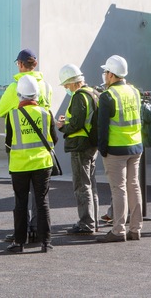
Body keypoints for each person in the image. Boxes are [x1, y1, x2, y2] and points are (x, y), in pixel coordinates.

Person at [0, 48, 52, 242]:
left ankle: (22, 233)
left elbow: (0, 110)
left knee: (21, 196)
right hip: (41, 149)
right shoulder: (45, 85)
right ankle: (40, 230)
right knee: (41, 197)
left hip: (19, 147)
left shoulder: (15, 87)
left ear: (20, 64)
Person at [4, 75, 58, 253]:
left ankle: (19, 242)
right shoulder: (46, 113)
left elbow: (8, 143)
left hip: (19, 166)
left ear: (19, 94)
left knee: (20, 203)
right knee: (42, 202)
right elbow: (54, 140)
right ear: (36, 95)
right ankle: (46, 243)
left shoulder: (12, 115)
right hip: (42, 164)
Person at [95, 55, 143, 243]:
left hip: (116, 149)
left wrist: (102, 149)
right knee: (134, 187)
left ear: (112, 74)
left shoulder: (108, 96)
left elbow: (102, 127)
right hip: (135, 146)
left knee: (119, 189)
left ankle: (118, 230)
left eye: (106, 71)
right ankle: (136, 228)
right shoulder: (134, 91)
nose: (104, 75)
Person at [56, 63, 100, 235]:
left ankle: (86, 223)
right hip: (91, 144)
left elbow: (76, 124)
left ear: (74, 82)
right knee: (91, 184)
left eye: (66, 84)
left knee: (82, 186)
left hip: (80, 145)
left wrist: (61, 126)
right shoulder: (94, 93)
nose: (66, 88)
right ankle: (93, 221)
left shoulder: (79, 96)